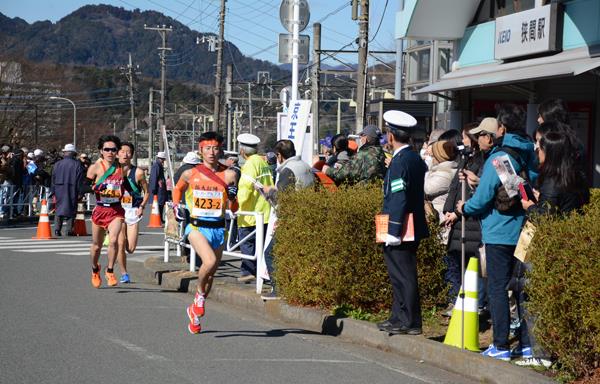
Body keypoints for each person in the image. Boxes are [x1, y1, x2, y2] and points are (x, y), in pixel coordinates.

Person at [456, 104, 538, 360]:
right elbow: (521, 189)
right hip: (525, 227)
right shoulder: (528, 153)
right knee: (523, 288)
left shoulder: (501, 157)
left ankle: (500, 345)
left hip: (500, 231)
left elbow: (482, 200)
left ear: (501, 128)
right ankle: (526, 343)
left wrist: (464, 207)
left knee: (498, 288)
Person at [514, 126, 589, 367]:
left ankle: (541, 353)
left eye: (540, 146)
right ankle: (557, 352)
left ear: (550, 152)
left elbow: (545, 218)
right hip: (567, 245)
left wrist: (530, 206)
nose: (536, 150)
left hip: (543, 247)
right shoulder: (577, 177)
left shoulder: (552, 180)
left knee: (532, 297)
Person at [172, 132, 238, 334]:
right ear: (200, 150)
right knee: (208, 262)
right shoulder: (189, 173)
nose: (212, 152)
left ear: (221, 150)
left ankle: (194, 311)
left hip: (218, 228)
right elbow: (177, 189)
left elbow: (234, 208)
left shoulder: (230, 174)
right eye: (208, 148)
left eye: (216, 148)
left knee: (210, 276)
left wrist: (233, 198)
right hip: (196, 226)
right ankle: (198, 297)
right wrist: (176, 206)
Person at [377, 110, 429, 336]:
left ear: (390, 136)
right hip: (410, 223)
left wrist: (394, 229)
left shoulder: (400, 161)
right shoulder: (413, 157)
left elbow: (399, 196)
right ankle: (398, 317)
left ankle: (410, 321)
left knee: (403, 275)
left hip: (402, 226)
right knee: (399, 274)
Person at [260, 139, 315, 300]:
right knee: (298, 254)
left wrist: (268, 191)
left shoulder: (287, 171)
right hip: (308, 215)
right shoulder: (305, 166)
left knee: (270, 252)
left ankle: (278, 289)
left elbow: (281, 197)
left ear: (279, 155)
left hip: (292, 217)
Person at [442, 123, 485, 314]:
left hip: (471, 222)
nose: (463, 140)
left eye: (465, 136)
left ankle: (474, 305)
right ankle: (459, 302)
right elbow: (455, 187)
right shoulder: (466, 158)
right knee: (457, 263)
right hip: (459, 219)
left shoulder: (482, 161)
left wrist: (458, 211)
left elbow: (473, 192)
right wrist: (448, 210)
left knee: (472, 265)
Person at [87, 135, 131, 288]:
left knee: (113, 240)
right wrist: (95, 187)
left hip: (116, 210)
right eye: (107, 149)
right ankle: (95, 269)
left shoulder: (122, 168)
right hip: (100, 209)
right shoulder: (95, 168)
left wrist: (137, 199)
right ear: (101, 151)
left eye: (113, 150)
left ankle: (110, 270)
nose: (110, 152)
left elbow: (126, 186)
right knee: (96, 246)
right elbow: (83, 187)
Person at [236, 133, 274, 282]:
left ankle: (249, 272)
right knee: (262, 244)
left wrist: (238, 206)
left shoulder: (250, 164)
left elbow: (245, 188)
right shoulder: (262, 162)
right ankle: (262, 273)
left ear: (242, 151)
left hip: (251, 212)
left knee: (247, 242)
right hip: (264, 210)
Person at [116, 141, 149, 284]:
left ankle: (116, 260)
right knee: (121, 243)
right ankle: (124, 273)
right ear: (117, 154)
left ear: (132, 154)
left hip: (133, 211)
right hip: (117, 211)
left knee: (130, 248)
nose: (125, 154)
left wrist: (142, 206)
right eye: (122, 151)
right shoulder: (112, 172)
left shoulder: (139, 173)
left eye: (128, 151)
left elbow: (147, 192)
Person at [424, 140, 459, 230]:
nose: (432, 156)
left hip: (441, 221)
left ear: (440, 156)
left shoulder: (446, 172)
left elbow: (427, 188)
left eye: (434, 154)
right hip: (435, 218)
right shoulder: (441, 169)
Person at [51, 144, 84, 236]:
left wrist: (53, 191)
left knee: (59, 208)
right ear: (73, 153)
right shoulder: (77, 164)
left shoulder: (57, 164)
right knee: (71, 207)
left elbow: (53, 178)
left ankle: (57, 229)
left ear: (65, 152)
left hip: (59, 188)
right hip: (72, 188)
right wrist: (81, 192)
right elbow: (80, 180)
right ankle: (69, 230)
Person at [149, 151, 168, 223]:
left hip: (159, 187)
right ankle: (158, 218)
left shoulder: (158, 165)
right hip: (158, 188)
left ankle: (159, 218)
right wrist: (153, 188)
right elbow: (154, 177)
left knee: (160, 203)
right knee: (159, 203)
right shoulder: (156, 165)